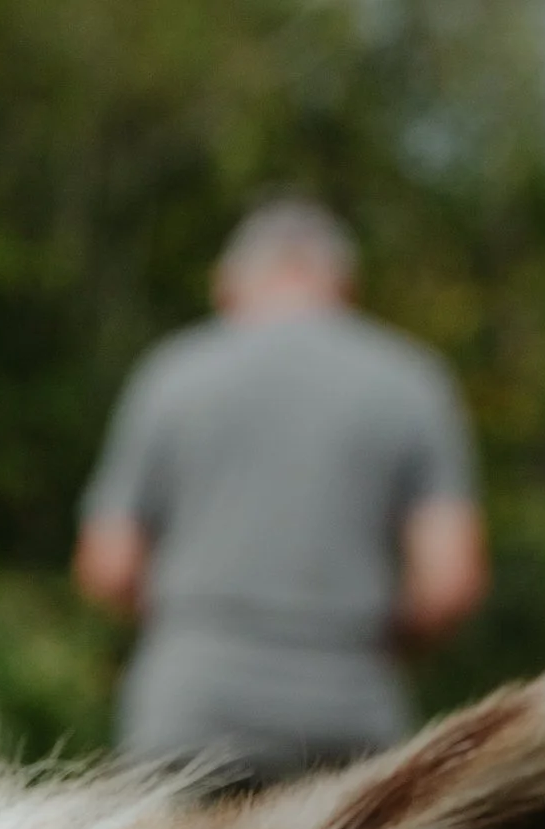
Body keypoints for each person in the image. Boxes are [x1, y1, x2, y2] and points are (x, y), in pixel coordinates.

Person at [74, 199, 488, 785]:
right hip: (347, 710)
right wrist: (366, 644)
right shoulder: (412, 384)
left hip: (191, 706)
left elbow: (108, 566)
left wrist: (194, 632)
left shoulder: (173, 375)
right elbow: (450, 585)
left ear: (229, 287)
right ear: (346, 287)